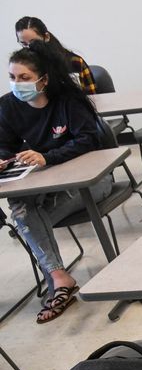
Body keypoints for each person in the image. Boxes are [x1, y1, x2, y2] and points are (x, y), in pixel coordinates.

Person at [0, 41, 112, 324]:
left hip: (92, 182)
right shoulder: (8, 106)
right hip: (49, 186)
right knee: (21, 205)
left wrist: (47, 157)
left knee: (27, 220)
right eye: (12, 77)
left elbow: (89, 140)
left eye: (24, 78)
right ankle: (59, 276)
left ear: (43, 79)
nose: (17, 84)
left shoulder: (68, 101)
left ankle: (57, 279)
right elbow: (4, 144)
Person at [14, 16, 96, 95]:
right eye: (23, 44)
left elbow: (92, 99)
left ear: (46, 37)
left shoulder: (74, 62)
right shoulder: (22, 67)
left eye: (34, 42)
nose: (29, 47)